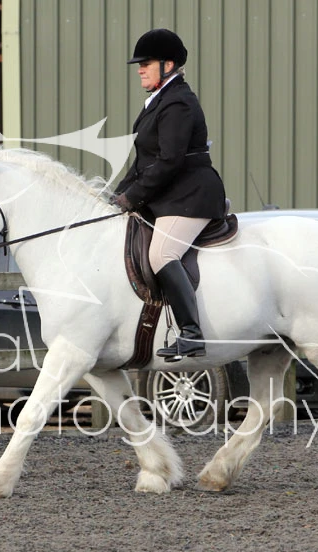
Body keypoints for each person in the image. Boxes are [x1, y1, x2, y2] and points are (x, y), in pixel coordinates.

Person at [112, 28, 227, 362]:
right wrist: (115, 195)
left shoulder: (178, 102)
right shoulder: (160, 100)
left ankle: (191, 334)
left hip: (190, 195)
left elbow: (169, 161)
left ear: (169, 65)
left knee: (162, 254)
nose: (139, 70)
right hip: (171, 194)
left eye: (146, 64)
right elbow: (143, 162)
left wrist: (133, 197)